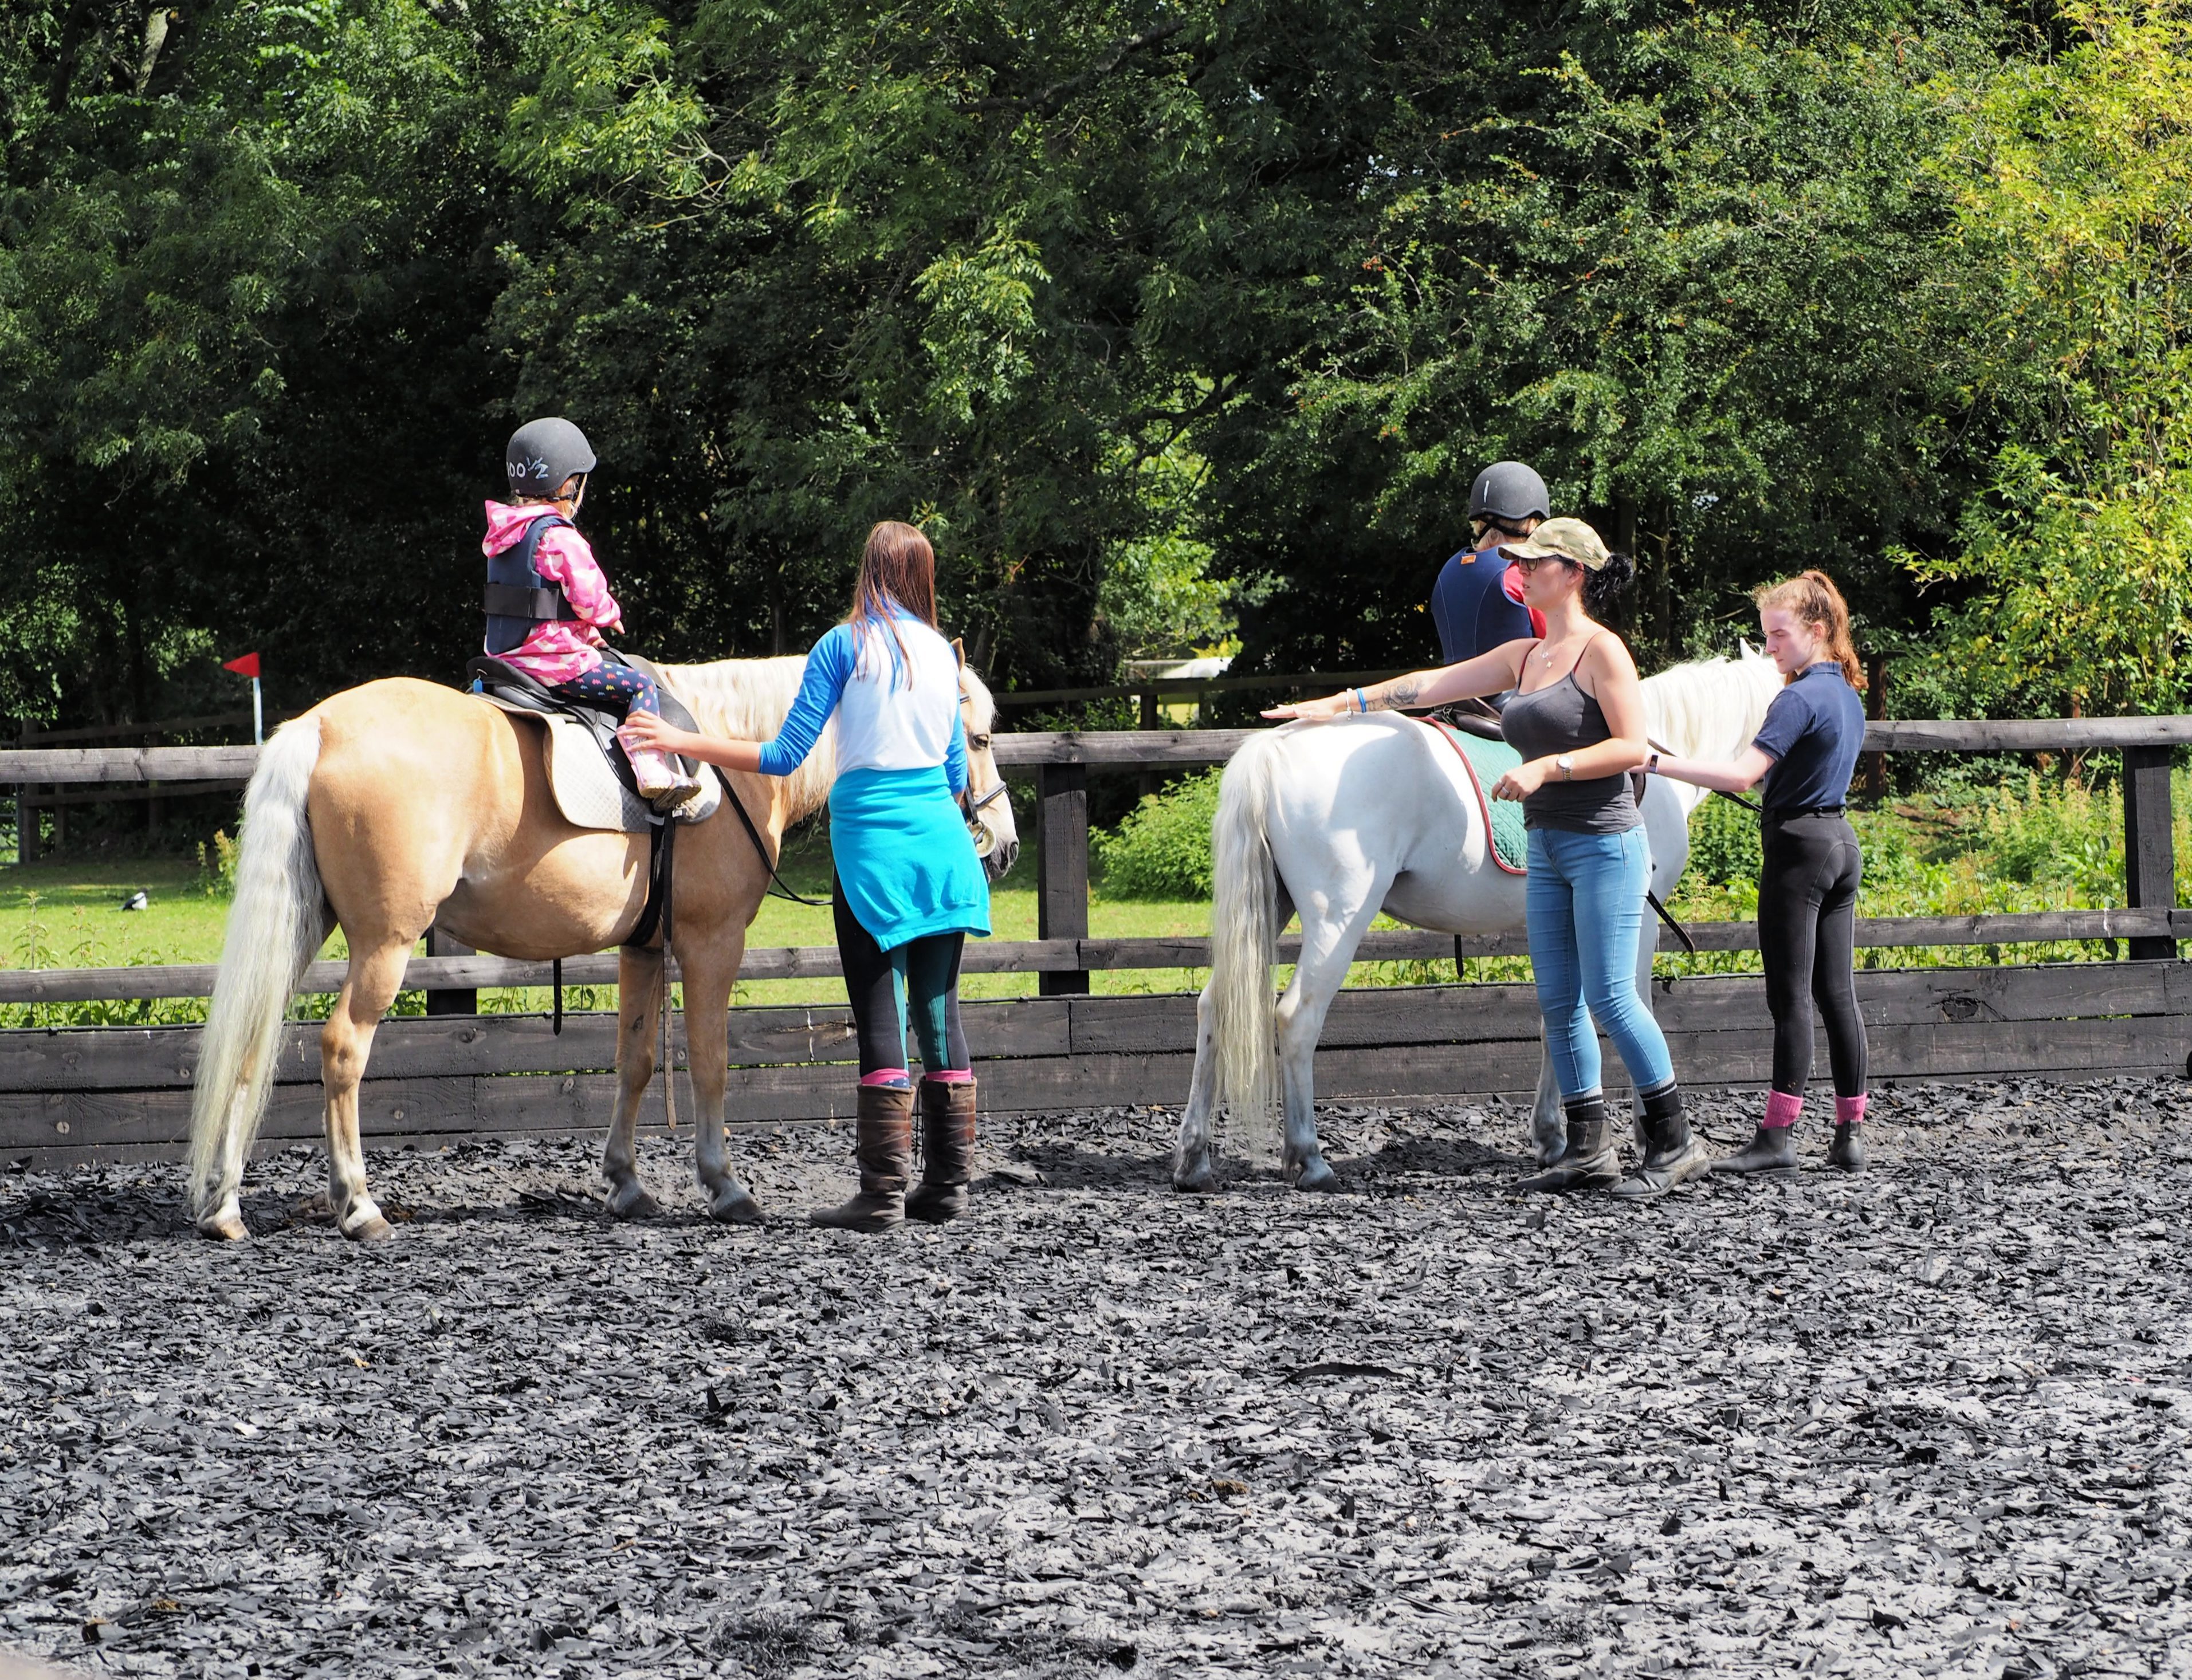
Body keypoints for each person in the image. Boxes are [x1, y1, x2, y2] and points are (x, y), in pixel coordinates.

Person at [1266, 517, 1706, 1199]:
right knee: (1559, 1001)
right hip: (1549, 845)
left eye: (1535, 562)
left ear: (1574, 575)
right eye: (1521, 561)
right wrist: (1338, 705)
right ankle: (1586, 1148)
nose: (1520, 569)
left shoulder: (1603, 651)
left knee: (1613, 997)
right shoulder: (1525, 655)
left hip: (1606, 842)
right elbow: (1427, 685)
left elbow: (1632, 748)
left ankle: (1674, 1142)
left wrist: (1547, 768)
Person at [621, 521, 991, 1230]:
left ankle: (880, 1195)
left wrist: (679, 739)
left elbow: (787, 754)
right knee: (940, 1015)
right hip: (944, 851)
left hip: (872, 856)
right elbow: (953, 775)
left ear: (868, 572)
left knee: (881, 1020)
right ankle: (946, 1189)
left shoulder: (842, 646)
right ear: (923, 576)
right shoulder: (944, 662)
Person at [1645, 571, 1869, 1173]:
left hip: (1798, 847)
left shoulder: (1795, 698)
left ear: (1815, 631)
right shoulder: (1847, 693)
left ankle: (1776, 1137)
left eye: (1777, 634)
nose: (1768, 647)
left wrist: (1656, 761)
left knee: (1789, 996)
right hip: (1841, 842)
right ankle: (1849, 1132)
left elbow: (1742, 774)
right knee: (1837, 994)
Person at [484, 416, 700, 808]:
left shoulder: (502, 536)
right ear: (570, 485)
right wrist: (609, 616)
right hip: (556, 666)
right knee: (640, 686)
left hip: (504, 659)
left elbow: (542, 601)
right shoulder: (561, 537)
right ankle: (652, 768)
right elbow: (588, 597)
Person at [1428, 461, 1551, 684]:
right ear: (1526, 527)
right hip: (1514, 700)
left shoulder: (1447, 573)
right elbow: (1554, 639)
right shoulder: (1519, 574)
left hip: (1450, 692)